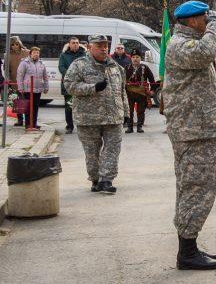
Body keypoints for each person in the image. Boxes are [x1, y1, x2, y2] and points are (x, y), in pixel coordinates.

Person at [163, 1, 216, 271]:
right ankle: (186, 252)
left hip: (198, 127)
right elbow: (206, 52)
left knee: (198, 187)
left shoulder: (189, 43)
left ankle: (189, 245)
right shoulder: (180, 44)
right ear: (192, 21)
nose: (208, 22)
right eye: (204, 18)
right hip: (191, 130)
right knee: (195, 188)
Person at [63, 35, 129, 195]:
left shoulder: (115, 67)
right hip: (88, 118)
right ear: (90, 47)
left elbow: (122, 90)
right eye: (99, 45)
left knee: (113, 148)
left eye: (106, 45)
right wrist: (93, 87)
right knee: (92, 152)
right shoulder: (79, 65)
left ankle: (106, 180)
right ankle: (95, 179)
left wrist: (126, 111)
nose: (104, 48)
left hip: (113, 116)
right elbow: (69, 86)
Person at [58, 37, 86, 134]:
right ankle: (69, 126)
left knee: (82, 107)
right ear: (69, 44)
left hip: (81, 85)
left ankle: (82, 126)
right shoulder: (64, 55)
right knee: (69, 106)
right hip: (69, 85)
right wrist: (71, 75)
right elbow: (61, 67)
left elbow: (87, 67)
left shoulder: (84, 55)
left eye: (77, 43)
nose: (75, 44)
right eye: (73, 43)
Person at [17, 46, 48, 129]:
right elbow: (20, 76)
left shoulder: (42, 63)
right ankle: (28, 124)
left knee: (35, 108)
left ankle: (34, 124)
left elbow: (45, 77)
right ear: (30, 54)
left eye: (37, 53)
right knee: (28, 108)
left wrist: (46, 87)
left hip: (38, 90)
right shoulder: (24, 63)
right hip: (27, 89)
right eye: (34, 53)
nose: (36, 54)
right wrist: (20, 88)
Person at [125, 52, 155, 133]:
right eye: (133, 57)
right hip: (129, 93)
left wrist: (152, 90)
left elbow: (152, 79)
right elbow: (122, 80)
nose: (135, 59)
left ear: (140, 58)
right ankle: (129, 127)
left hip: (141, 93)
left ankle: (139, 126)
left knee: (141, 110)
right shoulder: (127, 67)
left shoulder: (145, 67)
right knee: (129, 110)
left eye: (137, 57)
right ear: (131, 58)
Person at [5, 36, 26, 126]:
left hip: (26, 82)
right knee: (17, 102)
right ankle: (20, 120)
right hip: (14, 81)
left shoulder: (26, 53)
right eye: (12, 45)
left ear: (19, 44)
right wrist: (8, 79)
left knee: (27, 101)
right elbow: (6, 69)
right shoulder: (7, 55)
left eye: (17, 44)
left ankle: (29, 120)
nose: (15, 46)